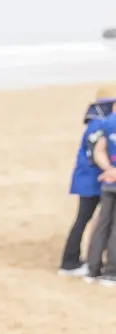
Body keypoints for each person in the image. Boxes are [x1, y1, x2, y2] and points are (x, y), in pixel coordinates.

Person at [60, 86, 116, 276]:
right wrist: (109, 170)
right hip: (95, 179)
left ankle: (80, 261)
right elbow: (97, 153)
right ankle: (72, 262)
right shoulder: (104, 124)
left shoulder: (95, 123)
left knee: (89, 220)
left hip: (86, 177)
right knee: (92, 220)